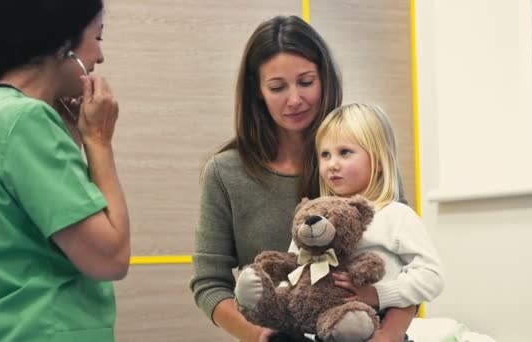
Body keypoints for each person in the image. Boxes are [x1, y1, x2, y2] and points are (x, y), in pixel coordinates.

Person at [189, 15, 413, 342]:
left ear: (324, 79)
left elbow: (410, 263)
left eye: (306, 82)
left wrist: (389, 335)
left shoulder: (363, 154)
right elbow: (209, 283)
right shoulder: (225, 173)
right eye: (278, 87)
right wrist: (261, 336)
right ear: (258, 92)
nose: (295, 99)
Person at [0, 0, 130, 341]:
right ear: (63, 44)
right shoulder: (25, 122)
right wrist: (98, 141)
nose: (99, 56)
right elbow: (110, 257)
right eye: (97, 38)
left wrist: (69, 140)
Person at [306, 103, 445, 341]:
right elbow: (294, 268)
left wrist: (377, 294)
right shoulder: (314, 220)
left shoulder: (395, 216)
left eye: (345, 152)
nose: (332, 164)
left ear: (379, 161)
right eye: (325, 154)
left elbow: (432, 277)